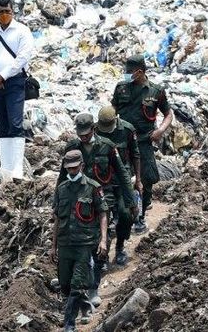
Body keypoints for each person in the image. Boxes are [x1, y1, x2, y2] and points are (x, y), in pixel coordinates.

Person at [58, 113, 138, 308]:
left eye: (86, 134)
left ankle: (94, 286)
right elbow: (61, 178)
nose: (83, 137)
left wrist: (131, 201)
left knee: (102, 240)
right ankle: (77, 288)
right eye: (80, 134)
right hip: (79, 202)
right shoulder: (72, 149)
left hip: (104, 196)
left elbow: (122, 173)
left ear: (93, 129)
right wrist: (57, 204)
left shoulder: (107, 147)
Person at [111, 55, 173, 233]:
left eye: (129, 72)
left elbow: (168, 114)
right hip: (122, 141)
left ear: (139, 72)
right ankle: (118, 216)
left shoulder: (155, 91)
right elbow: (113, 109)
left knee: (146, 179)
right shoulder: (121, 88)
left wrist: (160, 131)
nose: (126, 75)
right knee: (119, 178)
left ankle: (141, 216)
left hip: (144, 141)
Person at [51, 150, 109, 332]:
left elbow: (102, 214)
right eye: (69, 169)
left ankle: (69, 324)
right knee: (66, 286)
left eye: (75, 168)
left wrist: (103, 240)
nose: (72, 172)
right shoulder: (61, 189)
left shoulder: (93, 187)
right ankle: (84, 306)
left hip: (84, 244)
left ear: (82, 166)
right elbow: (57, 220)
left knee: (77, 285)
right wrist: (53, 246)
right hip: (65, 244)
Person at [0, 0, 34, 182]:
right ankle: (5, 169)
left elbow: (23, 57)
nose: (4, 15)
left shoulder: (22, 31)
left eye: (7, 12)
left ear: (13, 12)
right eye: (0, 12)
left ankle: (17, 169)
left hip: (14, 81)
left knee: (15, 124)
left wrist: (2, 75)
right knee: (2, 125)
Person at [96, 105, 142, 266]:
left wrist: (138, 180)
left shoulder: (127, 130)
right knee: (103, 218)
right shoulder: (96, 131)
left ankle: (120, 246)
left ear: (116, 119)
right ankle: (103, 255)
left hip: (124, 181)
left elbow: (135, 154)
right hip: (104, 181)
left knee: (125, 214)